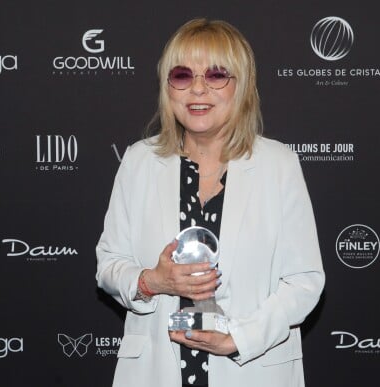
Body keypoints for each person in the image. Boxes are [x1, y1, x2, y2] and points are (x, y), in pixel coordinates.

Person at [96, 18, 325, 387]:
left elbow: (304, 281)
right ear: (167, 87)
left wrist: (240, 338)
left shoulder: (278, 164)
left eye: (217, 75)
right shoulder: (140, 161)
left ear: (242, 86)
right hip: (154, 372)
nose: (198, 90)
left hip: (252, 371)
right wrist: (153, 281)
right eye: (183, 75)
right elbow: (108, 265)